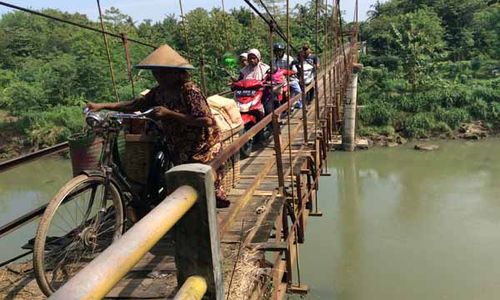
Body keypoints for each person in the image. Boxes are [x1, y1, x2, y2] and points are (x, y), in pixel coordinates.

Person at [86, 44, 230, 208]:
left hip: (201, 147)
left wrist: (169, 114)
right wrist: (103, 106)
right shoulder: (159, 91)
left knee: (207, 188)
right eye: (155, 72)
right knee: (186, 186)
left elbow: (207, 120)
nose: (158, 76)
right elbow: (135, 104)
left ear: (177, 73)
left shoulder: (189, 90)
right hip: (177, 146)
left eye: (163, 72)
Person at [272, 43, 303, 109]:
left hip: (290, 79)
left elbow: (295, 70)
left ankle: (300, 104)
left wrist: (286, 73)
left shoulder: (289, 59)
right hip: (279, 81)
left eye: (280, 51)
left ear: (283, 51)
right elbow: (273, 70)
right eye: (277, 51)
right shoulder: (274, 60)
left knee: (298, 90)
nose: (278, 52)